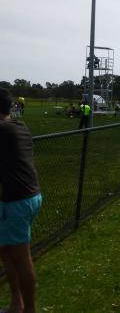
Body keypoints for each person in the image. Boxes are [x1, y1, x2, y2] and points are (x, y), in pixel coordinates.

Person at [0, 89, 42, 313]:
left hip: (17, 201)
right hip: (29, 196)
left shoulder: (3, 129)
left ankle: (29, 310)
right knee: (6, 251)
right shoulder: (19, 126)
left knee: (21, 258)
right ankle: (17, 304)